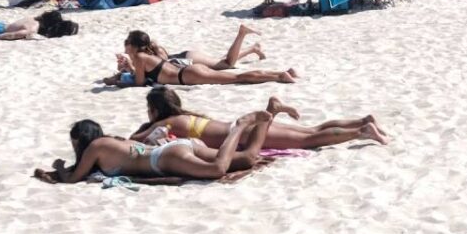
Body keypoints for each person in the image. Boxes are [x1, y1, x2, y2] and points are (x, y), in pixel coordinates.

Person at [43, 111, 275, 184]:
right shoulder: (113, 141)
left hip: (166, 158)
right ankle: (267, 117)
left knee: (217, 169)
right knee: (246, 158)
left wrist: (59, 166)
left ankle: (240, 126)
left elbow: (73, 178)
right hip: (175, 147)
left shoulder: (95, 147)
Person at [130, 87, 389, 149]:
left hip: (244, 135)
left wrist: (147, 127)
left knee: (310, 140)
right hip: (242, 128)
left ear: (155, 111)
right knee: (312, 130)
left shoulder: (170, 123)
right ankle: (362, 120)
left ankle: (362, 131)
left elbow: (135, 139)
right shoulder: (183, 116)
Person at [114, 27, 295, 87]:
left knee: (236, 77)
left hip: (187, 76)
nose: (125, 45)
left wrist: (116, 81)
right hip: (187, 70)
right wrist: (128, 69)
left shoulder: (139, 57)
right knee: (232, 73)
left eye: (126, 42)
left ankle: (279, 75)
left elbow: (139, 84)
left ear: (133, 45)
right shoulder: (146, 56)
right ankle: (280, 73)